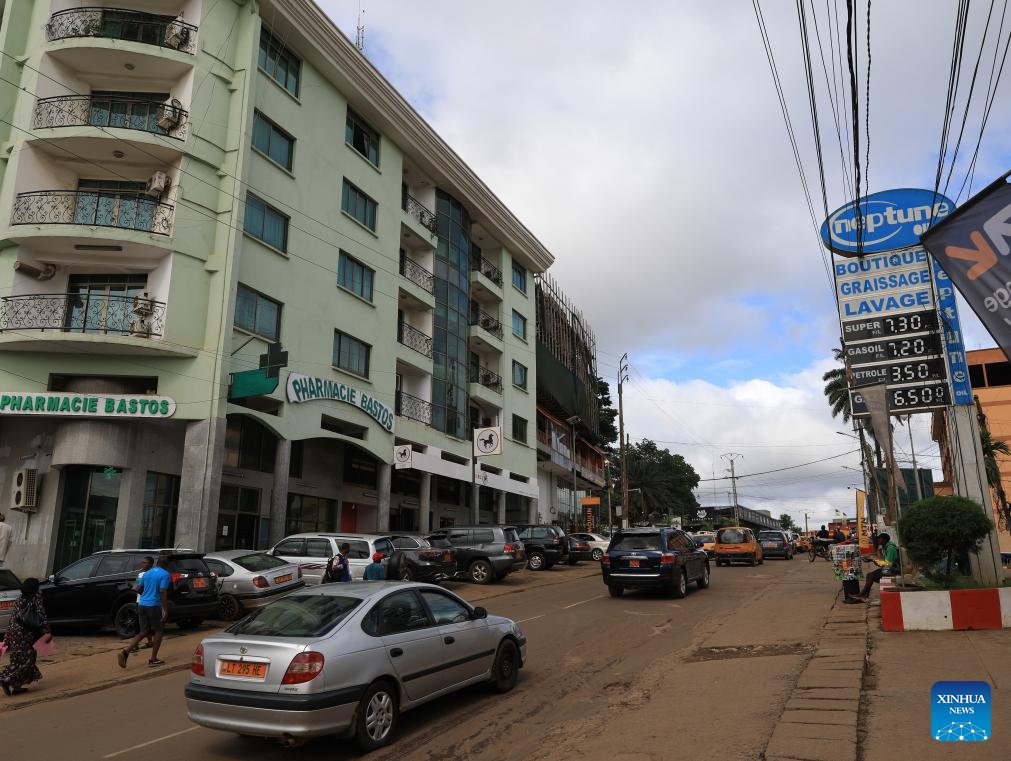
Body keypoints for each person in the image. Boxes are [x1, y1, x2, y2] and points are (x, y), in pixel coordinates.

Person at [1, 577, 51, 696]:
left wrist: (7, 637)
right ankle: (6, 679)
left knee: (17, 658)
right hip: (27, 633)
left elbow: (13, 617)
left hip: (14, 631)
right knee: (28, 659)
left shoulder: (19, 599)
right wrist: (47, 631)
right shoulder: (36, 598)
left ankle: (17, 687)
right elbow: (41, 615)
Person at [118, 556, 169, 669]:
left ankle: (126, 651)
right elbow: (162, 592)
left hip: (142, 604)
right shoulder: (165, 574)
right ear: (166, 565)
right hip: (154, 605)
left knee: (144, 631)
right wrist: (165, 610)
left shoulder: (147, 573)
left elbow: (138, 589)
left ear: (157, 563)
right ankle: (153, 659)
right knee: (159, 631)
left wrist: (147, 594)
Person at [856, 533, 900, 600]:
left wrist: (875, 561)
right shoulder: (886, 547)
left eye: (879, 539)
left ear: (884, 540)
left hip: (894, 569)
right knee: (869, 575)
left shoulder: (890, 548)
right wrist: (873, 560)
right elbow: (884, 561)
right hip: (890, 568)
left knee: (870, 576)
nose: (878, 540)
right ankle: (864, 594)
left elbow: (888, 564)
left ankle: (863, 594)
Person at [128, 557, 154, 653]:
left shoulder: (142, 574)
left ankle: (135, 644)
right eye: (142, 562)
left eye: (145, 562)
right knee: (146, 623)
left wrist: (132, 587)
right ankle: (150, 641)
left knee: (140, 624)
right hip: (148, 601)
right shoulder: (151, 574)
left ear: (151, 564)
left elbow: (137, 588)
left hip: (142, 601)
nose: (142, 564)